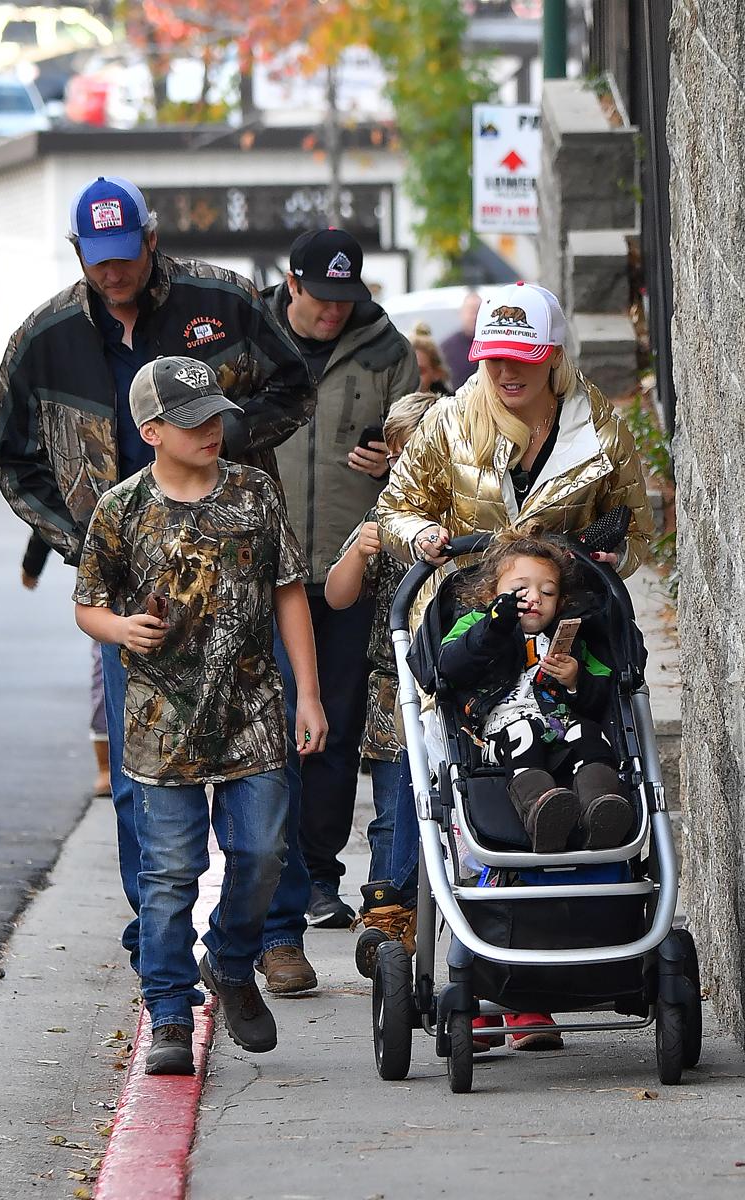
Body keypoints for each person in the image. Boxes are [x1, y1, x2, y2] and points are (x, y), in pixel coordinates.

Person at [0, 176, 315, 981]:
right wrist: (79, 541)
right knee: (143, 780)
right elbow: (13, 459)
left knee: (265, 757)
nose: (114, 271)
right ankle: (158, 939)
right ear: (80, 255)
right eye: (98, 260)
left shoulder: (225, 300)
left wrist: (224, 455)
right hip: (135, 583)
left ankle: (275, 933)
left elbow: (294, 386)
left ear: (150, 239)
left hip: (235, 564)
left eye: (125, 253)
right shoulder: (45, 337)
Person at [376, 280, 654, 1050]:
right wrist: (422, 539)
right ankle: (499, 979)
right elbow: (394, 509)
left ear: (554, 357)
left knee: (591, 769)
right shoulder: (449, 422)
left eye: (522, 359)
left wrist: (606, 552)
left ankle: (564, 959)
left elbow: (641, 526)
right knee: (475, 793)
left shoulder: (601, 427)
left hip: (570, 630)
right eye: (494, 358)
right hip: (478, 639)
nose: (506, 374)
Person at [73, 356, 327, 1075]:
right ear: (150, 430)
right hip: (162, 723)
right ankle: (170, 1014)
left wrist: (307, 694)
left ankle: (233, 962)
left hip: (253, 710)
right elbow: (88, 604)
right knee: (169, 873)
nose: (211, 429)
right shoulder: (121, 509)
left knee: (263, 852)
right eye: (191, 421)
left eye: (215, 414)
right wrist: (119, 629)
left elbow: (287, 593)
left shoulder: (254, 492)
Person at [256, 227, 418, 992]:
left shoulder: (388, 350)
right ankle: (279, 898)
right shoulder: (252, 338)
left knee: (339, 729)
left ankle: (319, 871)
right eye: (321, 299)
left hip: (355, 570)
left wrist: (392, 459)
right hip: (268, 570)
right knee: (279, 728)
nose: (333, 314)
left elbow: (422, 454)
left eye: (345, 300)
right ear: (292, 285)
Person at [324, 392, 438, 973]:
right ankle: (388, 908)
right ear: (391, 458)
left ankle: (443, 900)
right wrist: (359, 554)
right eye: (408, 452)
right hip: (394, 685)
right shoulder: (381, 524)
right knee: (395, 800)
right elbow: (338, 596)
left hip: (457, 681)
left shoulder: (467, 516)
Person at [439, 526, 632, 855]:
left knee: (589, 733)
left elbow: (604, 693)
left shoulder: (574, 639)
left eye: (548, 592)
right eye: (520, 590)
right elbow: (449, 667)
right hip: (502, 730)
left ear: (560, 603)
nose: (534, 598)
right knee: (524, 732)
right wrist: (494, 626)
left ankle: (600, 810)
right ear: (491, 594)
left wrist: (576, 680)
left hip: (560, 724)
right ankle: (542, 813)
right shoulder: (476, 625)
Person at [21, 529, 111, 796]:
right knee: (105, 660)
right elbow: (55, 503)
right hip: (102, 561)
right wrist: (32, 562)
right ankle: (106, 766)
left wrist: (31, 564)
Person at [440, 290, 481, 391]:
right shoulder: (447, 347)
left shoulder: (493, 346)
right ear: (461, 313)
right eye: (471, 311)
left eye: (478, 311)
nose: (474, 317)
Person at [409, 324, 452, 396]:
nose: (410, 379)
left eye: (419, 372)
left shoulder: (452, 406)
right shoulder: (386, 402)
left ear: (437, 372)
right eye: (404, 371)